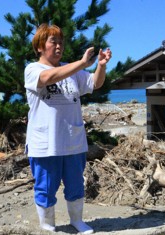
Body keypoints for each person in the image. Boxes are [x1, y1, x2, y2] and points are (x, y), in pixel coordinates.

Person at [24, 23, 111, 233]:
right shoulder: (33, 69)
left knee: (75, 185)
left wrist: (100, 66)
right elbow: (48, 78)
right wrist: (81, 63)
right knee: (46, 187)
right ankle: (47, 225)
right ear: (39, 46)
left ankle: (77, 220)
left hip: (73, 140)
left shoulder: (72, 71)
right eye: (53, 41)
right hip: (45, 143)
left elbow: (94, 84)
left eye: (61, 42)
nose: (58, 46)